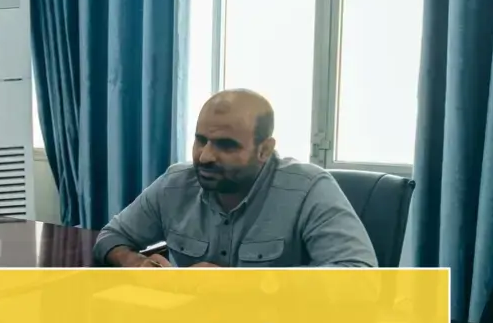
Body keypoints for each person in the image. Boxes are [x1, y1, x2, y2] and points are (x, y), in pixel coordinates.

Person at [93, 90, 378, 269]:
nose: (205, 156)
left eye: (226, 145)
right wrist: (136, 263)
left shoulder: (309, 188)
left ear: (264, 150)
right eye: (200, 140)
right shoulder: (175, 184)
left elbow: (358, 275)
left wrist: (243, 287)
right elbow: (111, 237)